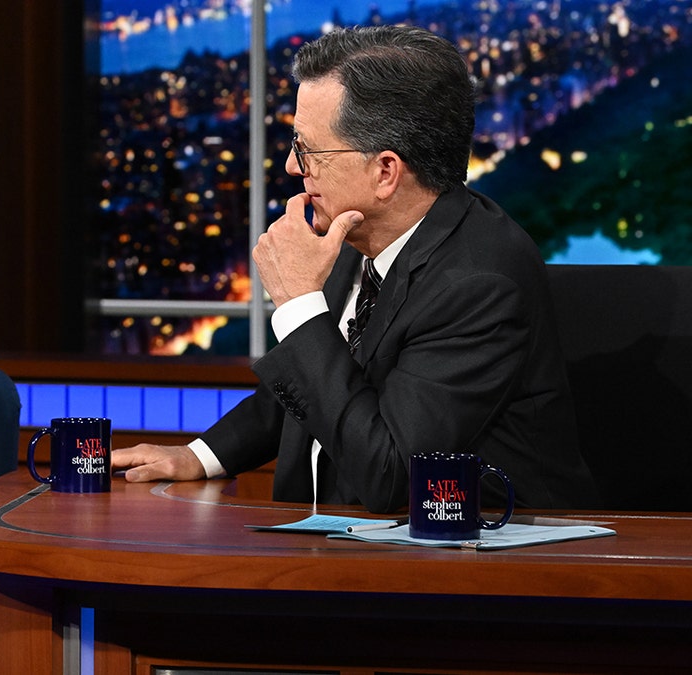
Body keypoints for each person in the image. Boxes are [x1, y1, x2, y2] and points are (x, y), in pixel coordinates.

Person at [111, 25, 599, 513]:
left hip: (480, 545)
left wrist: (298, 304)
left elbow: (392, 475)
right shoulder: (358, 233)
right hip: (345, 539)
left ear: (385, 172)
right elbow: (317, 380)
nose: (291, 166)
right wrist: (200, 456)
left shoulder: (478, 283)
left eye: (308, 150)